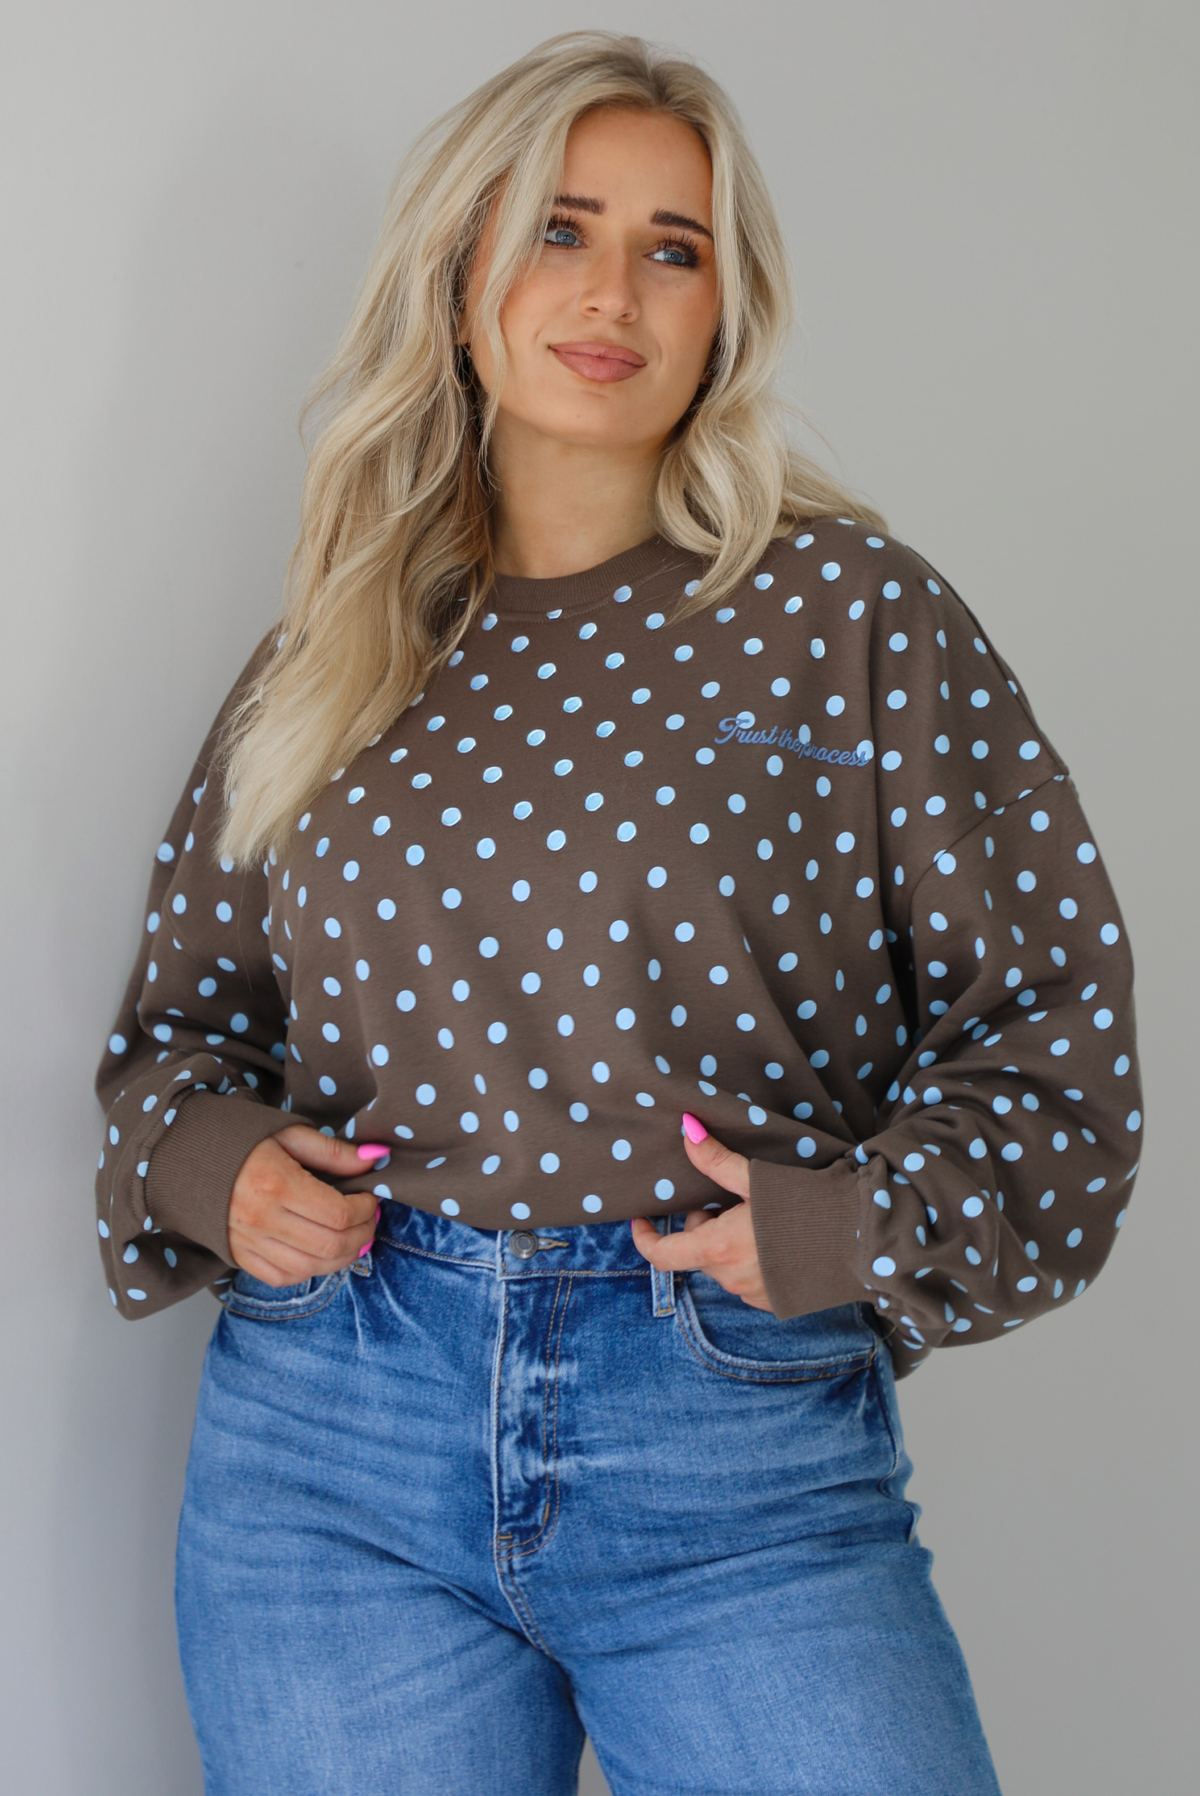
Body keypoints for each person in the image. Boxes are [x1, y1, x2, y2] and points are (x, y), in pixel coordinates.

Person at [94, 30, 1140, 1796]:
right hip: (327, 1440)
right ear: (461, 274)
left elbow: (1058, 1040)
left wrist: (839, 1232)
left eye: (676, 245)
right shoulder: (340, 646)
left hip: (726, 1434)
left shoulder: (847, 610)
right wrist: (221, 1173)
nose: (615, 293)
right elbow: (178, 1034)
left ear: (728, 306)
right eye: (562, 229)